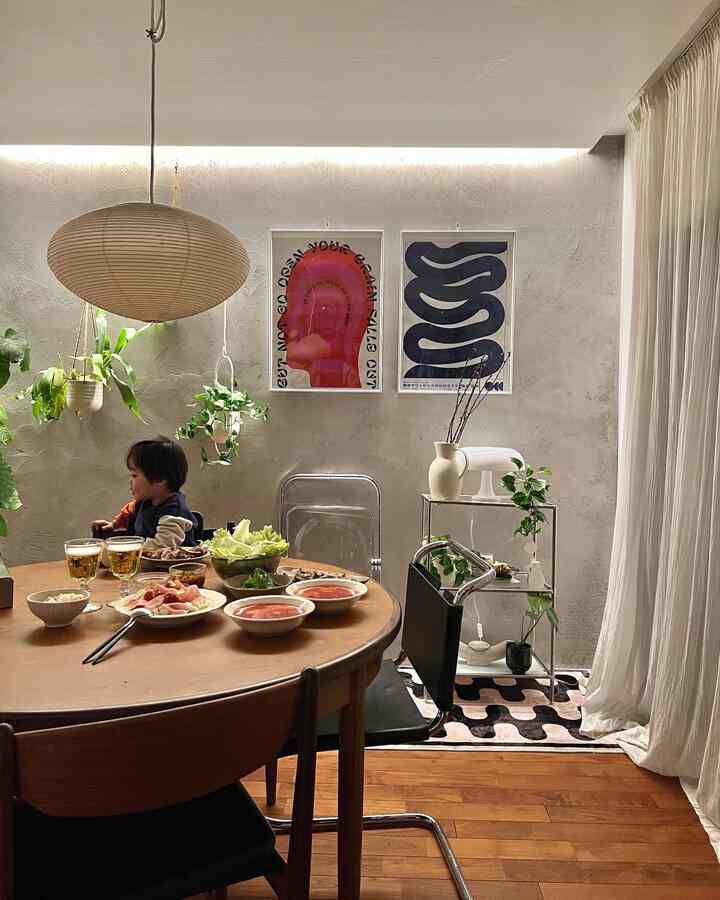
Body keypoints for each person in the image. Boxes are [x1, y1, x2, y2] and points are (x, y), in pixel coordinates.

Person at [92, 437, 197, 547]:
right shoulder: (143, 502)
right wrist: (113, 526)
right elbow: (128, 512)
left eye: (134, 475)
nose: (130, 481)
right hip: (147, 563)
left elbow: (160, 547)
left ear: (160, 479)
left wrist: (125, 550)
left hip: (178, 563)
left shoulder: (174, 513)